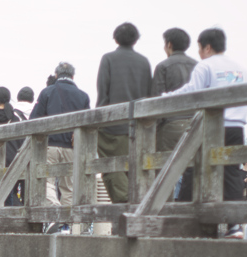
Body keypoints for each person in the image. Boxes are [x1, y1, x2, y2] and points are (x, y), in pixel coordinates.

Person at [165, 28, 247, 237]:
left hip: (212, 127)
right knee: (231, 173)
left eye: (199, 48)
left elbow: (192, 91)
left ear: (207, 47)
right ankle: (235, 226)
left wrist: (166, 97)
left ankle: (185, 220)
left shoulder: (205, 66)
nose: (198, 53)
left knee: (193, 168)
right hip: (236, 127)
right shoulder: (241, 70)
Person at [96, 23, 153, 203]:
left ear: (115, 38)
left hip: (113, 127)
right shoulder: (144, 62)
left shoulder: (108, 59)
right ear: (136, 39)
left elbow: (103, 94)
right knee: (135, 171)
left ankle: (124, 205)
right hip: (138, 127)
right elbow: (149, 95)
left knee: (112, 168)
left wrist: (98, 123)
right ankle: (137, 204)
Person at [31, 61, 91, 230]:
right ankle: (69, 226)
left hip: (50, 145)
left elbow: (34, 121)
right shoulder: (83, 96)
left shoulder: (47, 92)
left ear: (56, 75)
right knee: (69, 186)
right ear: (73, 76)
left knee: (45, 182)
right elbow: (88, 124)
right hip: (72, 147)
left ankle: (56, 213)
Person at [152, 28, 199, 152]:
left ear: (169, 44)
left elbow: (157, 100)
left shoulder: (163, 66)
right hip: (196, 125)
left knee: (165, 168)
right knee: (193, 168)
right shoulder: (198, 66)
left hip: (170, 126)